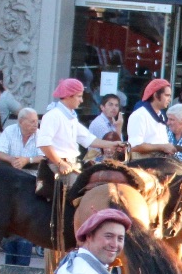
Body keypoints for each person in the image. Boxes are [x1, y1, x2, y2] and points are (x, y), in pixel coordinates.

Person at [36, 78, 120, 230]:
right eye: (79, 96)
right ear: (69, 96)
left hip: (72, 164)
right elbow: (43, 144)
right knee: (84, 196)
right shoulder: (53, 115)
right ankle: (75, 229)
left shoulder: (71, 116)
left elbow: (88, 139)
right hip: (59, 166)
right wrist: (60, 163)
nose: (82, 100)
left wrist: (113, 144)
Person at [125, 78, 175, 159]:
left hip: (160, 162)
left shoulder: (161, 115)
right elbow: (134, 146)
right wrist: (162, 147)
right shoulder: (139, 115)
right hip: (142, 164)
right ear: (155, 95)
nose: (169, 99)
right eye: (167, 95)